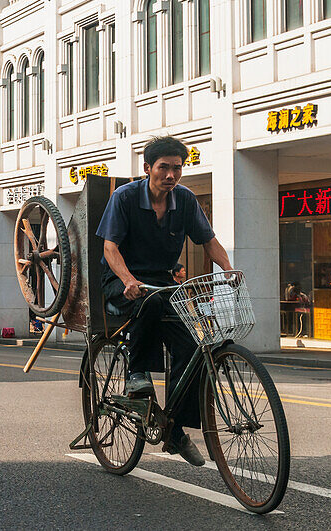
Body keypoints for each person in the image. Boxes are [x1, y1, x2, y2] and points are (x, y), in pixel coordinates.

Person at [96, 135, 233, 467]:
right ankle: (137, 375)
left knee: (192, 342)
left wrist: (228, 268)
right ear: (148, 168)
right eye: (164, 168)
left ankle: (175, 430)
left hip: (162, 281)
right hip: (121, 282)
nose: (171, 174)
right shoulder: (125, 197)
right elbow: (110, 248)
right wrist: (128, 279)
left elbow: (208, 241)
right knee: (151, 302)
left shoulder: (184, 200)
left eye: (177, 168)